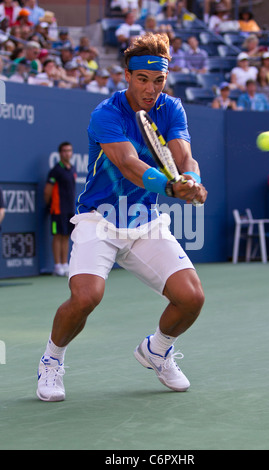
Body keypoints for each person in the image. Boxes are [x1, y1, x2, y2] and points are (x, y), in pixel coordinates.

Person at [36, 32, 207, 402]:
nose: (150, 89)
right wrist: (172, 189)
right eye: (142, 79)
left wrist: (191, 179)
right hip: (99, 220)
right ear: (127, 75)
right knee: (85, 297)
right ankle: (52, 359)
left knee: (191, 297)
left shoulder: (171, 108)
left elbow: (183, 158)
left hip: (145, 221)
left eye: (158, 80)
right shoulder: (106, 114)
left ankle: (157, 350)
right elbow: (130, 165)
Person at [44, 142, 76, 278]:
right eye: (64, 151)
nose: (67, 153)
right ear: (60, 153)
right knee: (58, 236)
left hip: (69, 209)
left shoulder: (72, 169)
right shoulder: (55, 171)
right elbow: (47, 191)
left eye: (69, 151)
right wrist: (50, 206)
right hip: (57, 209)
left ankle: (64, 264)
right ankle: (57, 266)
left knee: (66, 236)